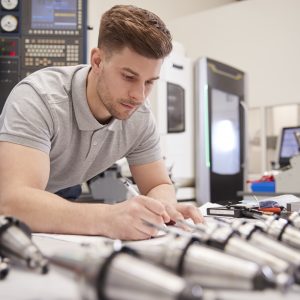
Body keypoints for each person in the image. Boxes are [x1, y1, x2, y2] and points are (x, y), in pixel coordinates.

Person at [0, 5, 203, 240]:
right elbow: (12, 201)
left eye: (150, 82)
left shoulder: (139, 116)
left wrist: (160, 210)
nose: (139, 95)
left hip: (58, 200)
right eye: (129, 77)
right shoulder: (39, 98)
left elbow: (159, 184)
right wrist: (108, 218)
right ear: (97, 61)